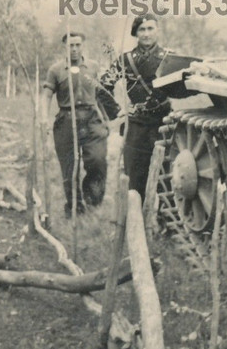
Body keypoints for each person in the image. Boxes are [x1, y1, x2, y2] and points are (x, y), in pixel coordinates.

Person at [100, 14, 171, 199]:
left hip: (163, 124)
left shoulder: (169, 57)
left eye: (150, 28)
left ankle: (163, 217)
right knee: (135, 178)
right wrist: (117, 111)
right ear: (135, 33)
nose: (146, 34)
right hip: (136, 126)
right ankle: (134, 216)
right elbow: (102, 87)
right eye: (142, 30)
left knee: (165, 178)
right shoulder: (126, 60)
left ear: (158, 31)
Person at [41, 32, 110, 218]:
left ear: (83, 45)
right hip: (66, 121)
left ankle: (93, 202)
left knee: (97, 160)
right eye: (70, 45)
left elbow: (101, 95)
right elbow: (46, 95)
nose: (74, 49)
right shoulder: (56, 70)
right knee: (69, 168)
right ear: (65, 47)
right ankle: (74, 208)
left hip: (92, 120)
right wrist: (44, 119)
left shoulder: (93, 67)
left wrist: (106, 119)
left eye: (78, 45)